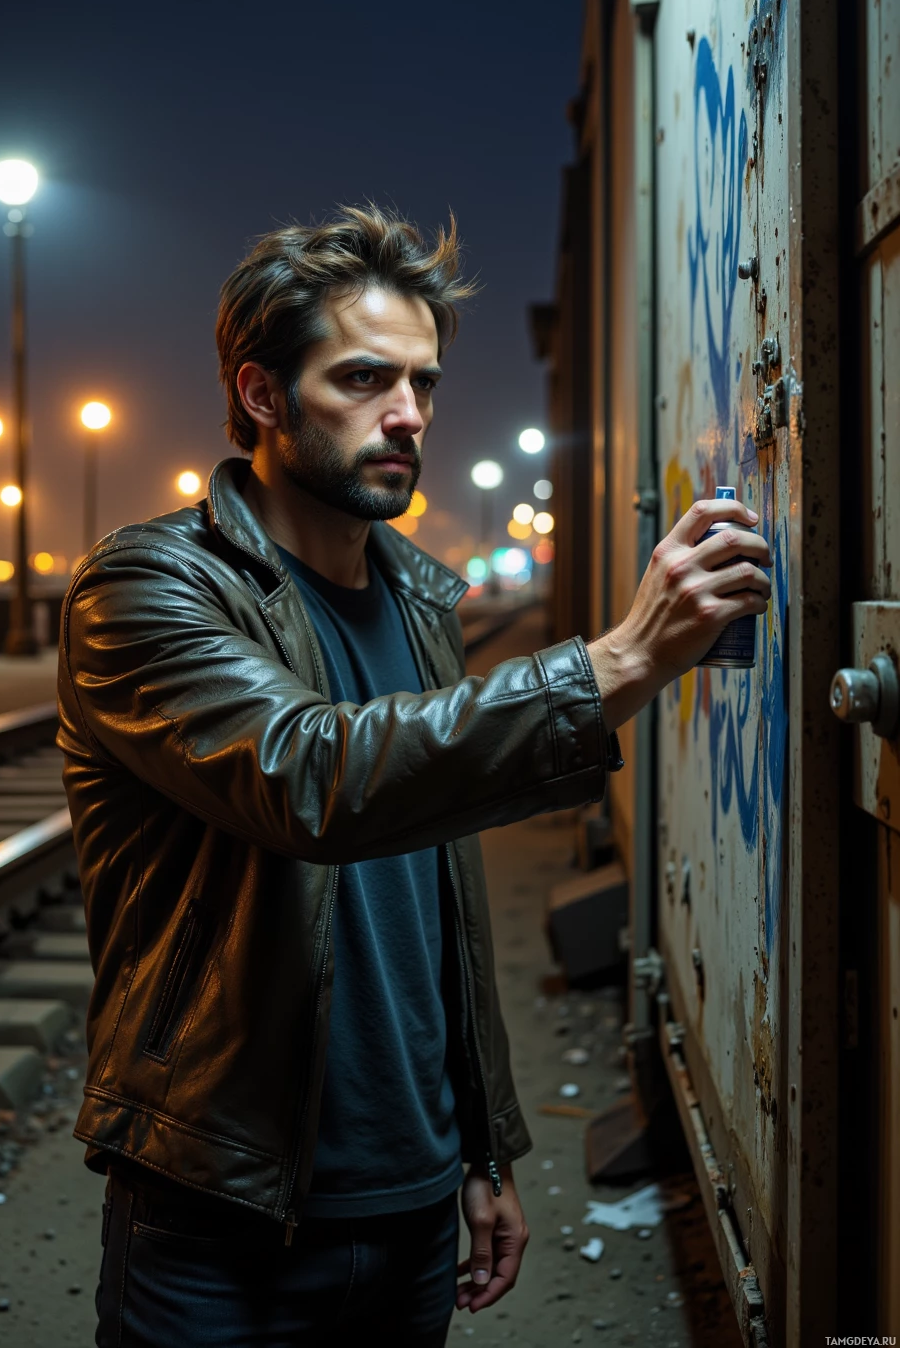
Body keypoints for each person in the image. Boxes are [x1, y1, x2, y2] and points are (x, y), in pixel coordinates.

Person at [57, 203, 771, 1348]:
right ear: (259, 394)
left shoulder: (417, 601)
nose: (406, 415)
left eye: (423, 384)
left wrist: (481, 1149)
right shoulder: (145, 591)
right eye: (362, 380)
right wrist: (622, 659)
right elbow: (316, 782)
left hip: (409, 1205)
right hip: (220, 1212)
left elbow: (440, 904)